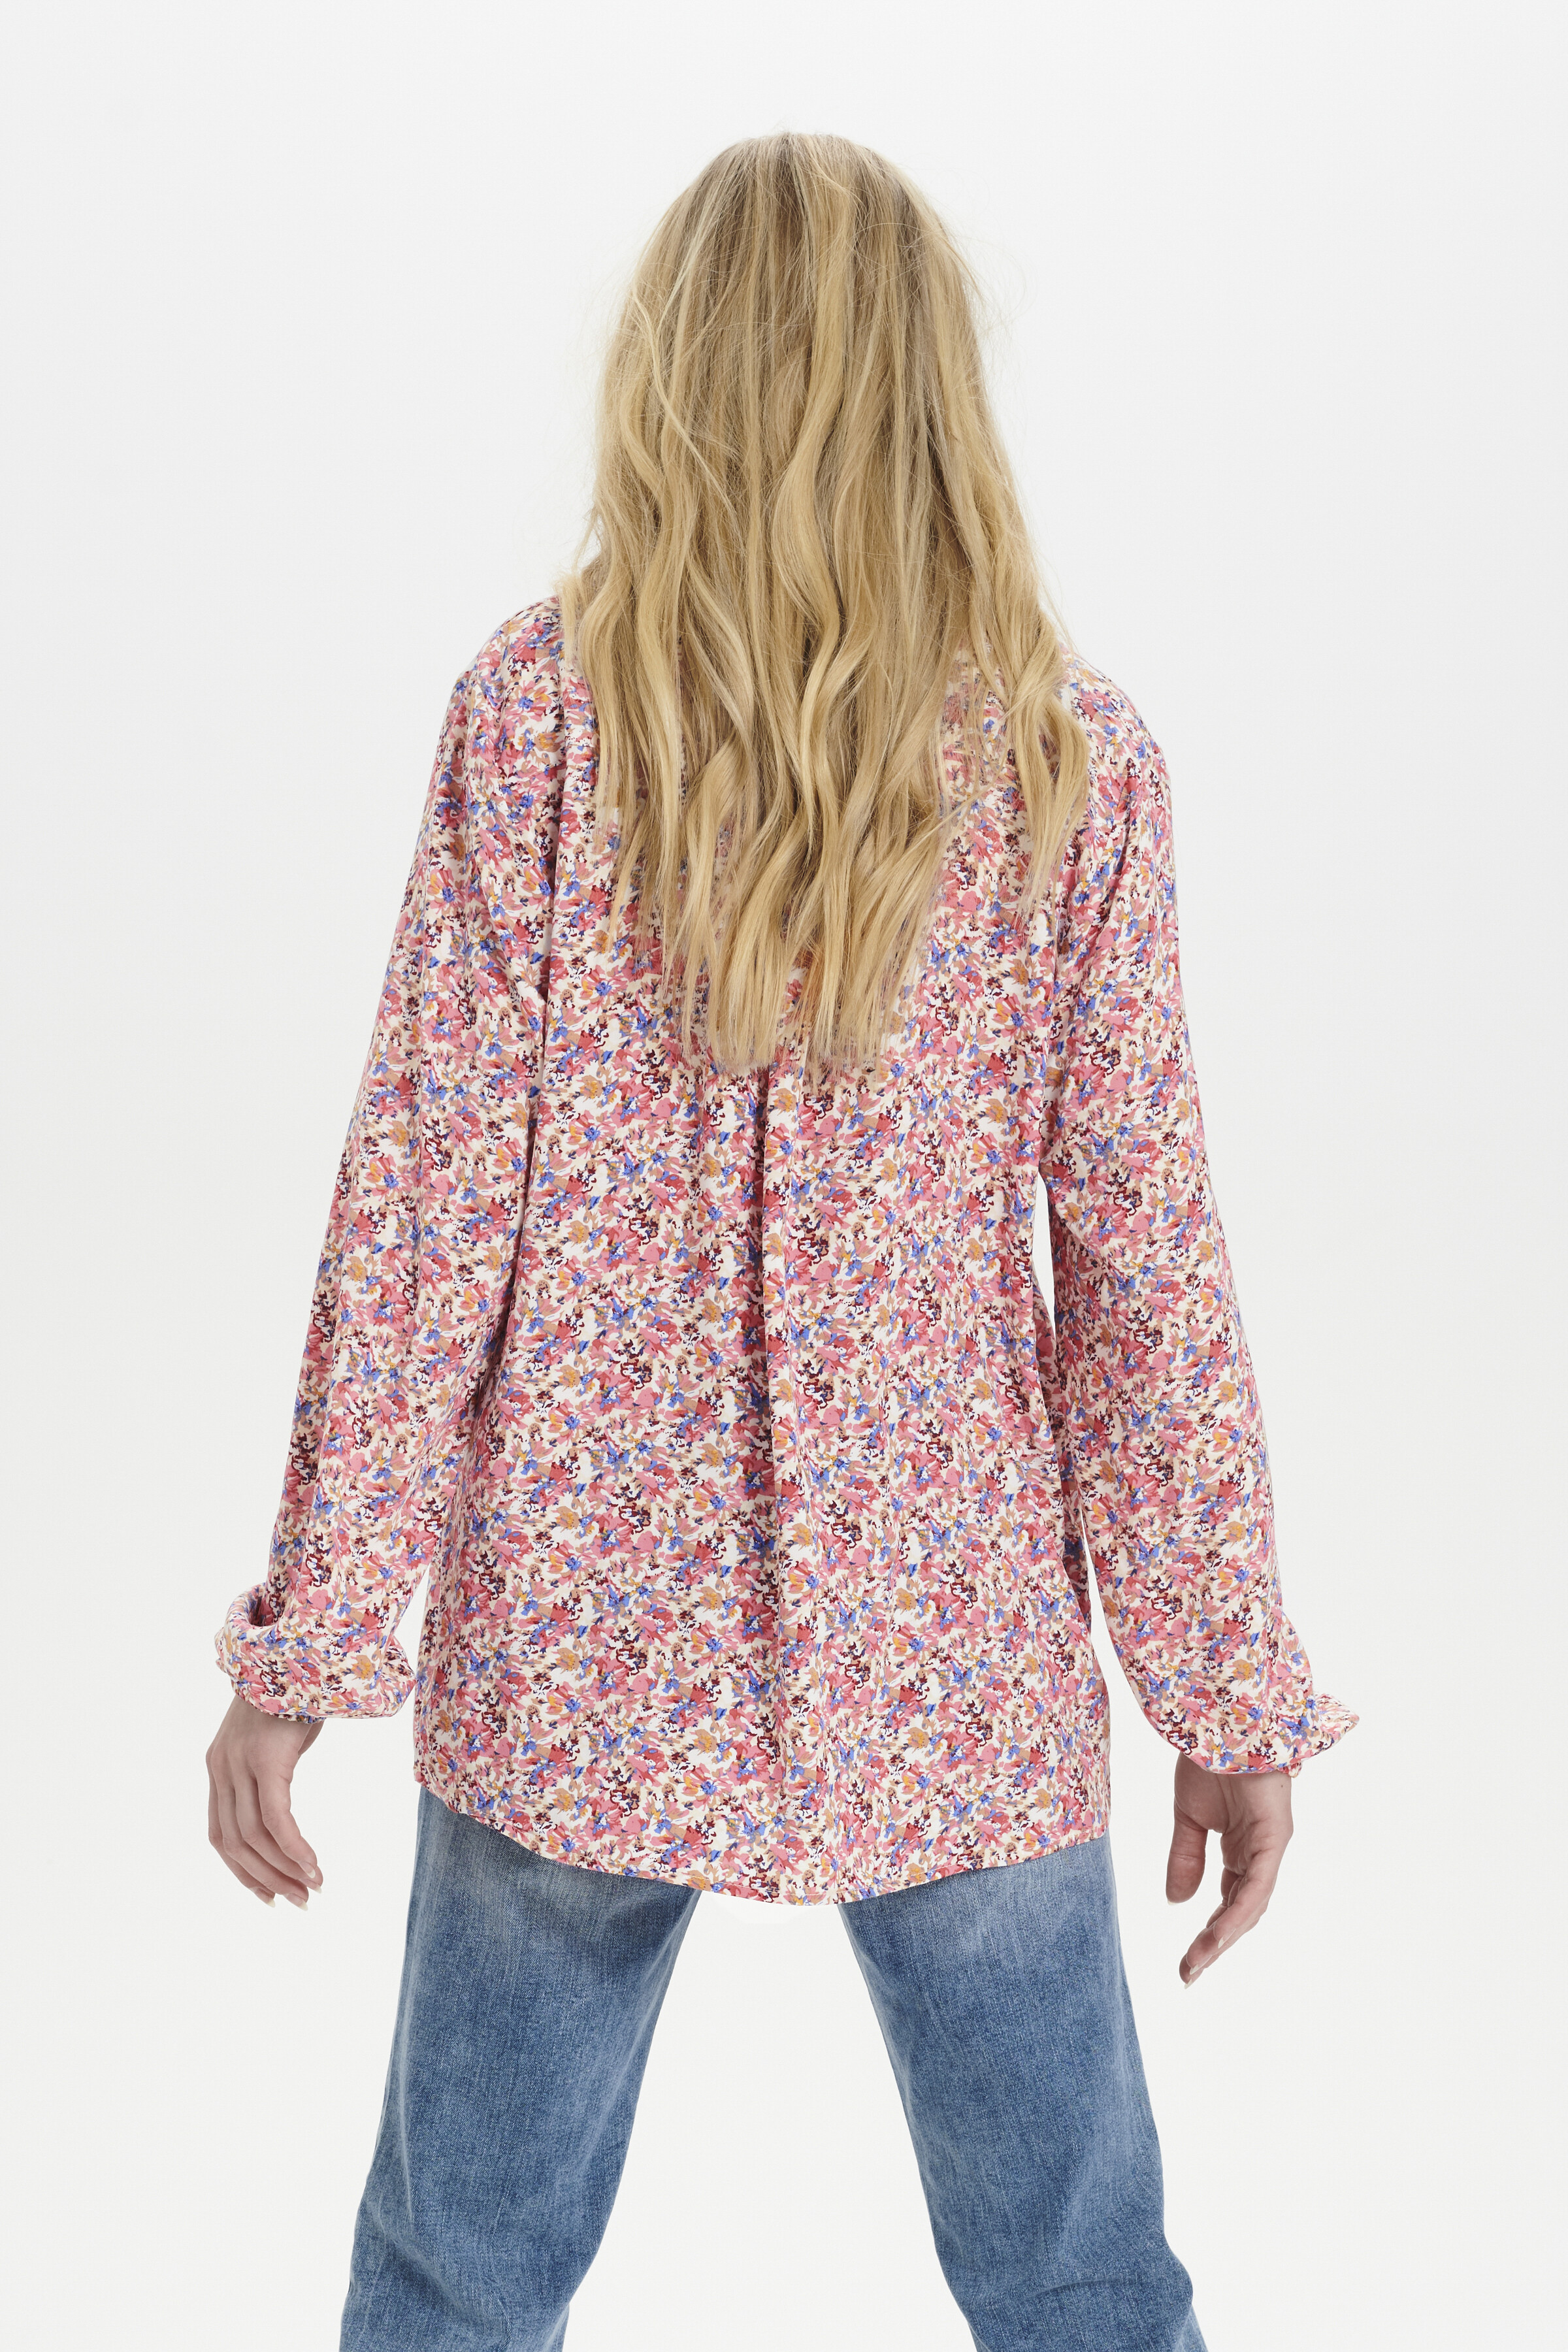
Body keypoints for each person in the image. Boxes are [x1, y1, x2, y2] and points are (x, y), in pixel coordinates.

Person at [206, 133, 1354, 2352]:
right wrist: (1225, 1688)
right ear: (936, 392)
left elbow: (424, 1209)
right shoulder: (1064, 758)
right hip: (953, 1639)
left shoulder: (544, 720)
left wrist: (310, 1646)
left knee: (455, 2275)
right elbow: (1145, 1275)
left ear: (671, 372)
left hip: (578, 1636)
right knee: (1082, 2279)